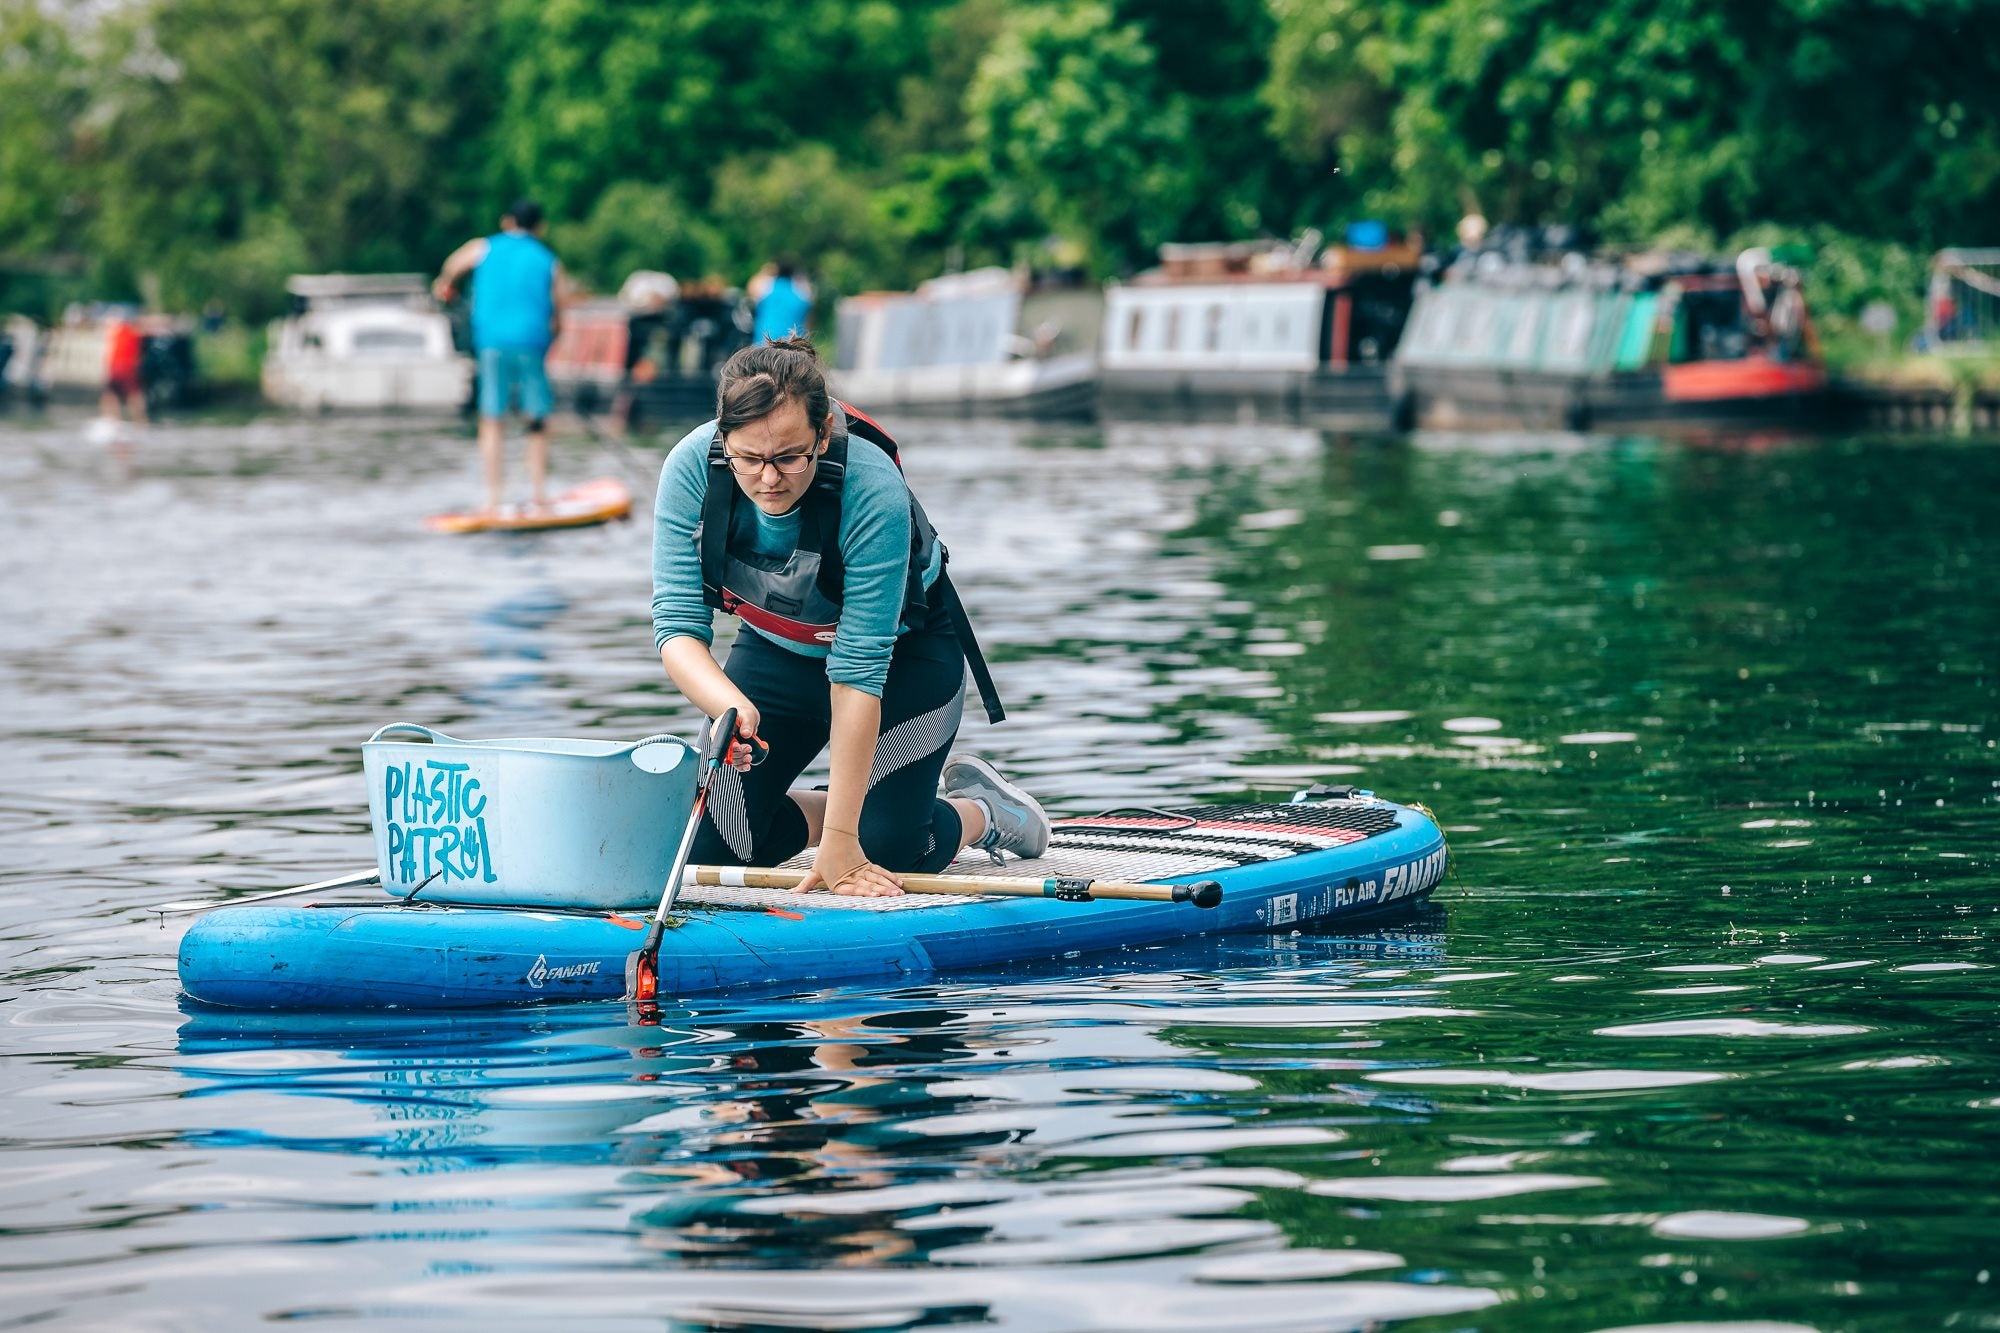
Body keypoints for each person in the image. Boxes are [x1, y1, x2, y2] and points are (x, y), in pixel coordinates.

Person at [651, 336, 1040, 897]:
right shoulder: (690, 470)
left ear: (824, 433)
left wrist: (842, 843)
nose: (768, 479)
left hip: (905, 661)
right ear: (722, 437)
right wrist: (728, 705)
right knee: (709, 843)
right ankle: (846, 805)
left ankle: (985, 809)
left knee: (889, 852)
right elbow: (678, 628)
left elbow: (858, 672)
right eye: (749, 459)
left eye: (789, 457)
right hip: (777, 650)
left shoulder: (871, 488)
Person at [433, 198, 565, 513]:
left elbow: (452, 265)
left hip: (491, 342)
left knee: (492, 418)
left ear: (507, 222)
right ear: (539, 227)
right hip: (532, 342)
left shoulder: (483, 247)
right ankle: (539, 494)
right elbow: (560, 310)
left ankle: (492, 497)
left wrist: (447, 285)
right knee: (537, 419)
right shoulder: (549, 259)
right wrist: (553, 336)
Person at [98, 307, 147, 428]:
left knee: (122, 397)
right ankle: (138, 422)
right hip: (122, 368)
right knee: (119, 396)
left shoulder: (125, 331)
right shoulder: (129, 332)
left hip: (122, 368)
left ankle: (122, 422)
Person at [751, 261, 813, 344]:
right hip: (792, 344)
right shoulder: (801, 292)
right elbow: (809, 320)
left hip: (764, 342)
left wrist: (765, 271)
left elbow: (751, 288)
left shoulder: (767, 288)